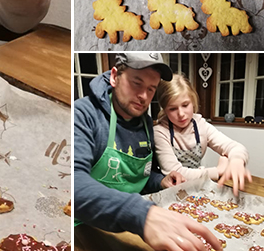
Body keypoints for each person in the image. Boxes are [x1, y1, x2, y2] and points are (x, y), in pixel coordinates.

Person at [75, 53, 224, 251]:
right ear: (114, 77)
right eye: (137, 83)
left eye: (151, 89)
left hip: (135, 224)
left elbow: (141, 176)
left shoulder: (145, 123)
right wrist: (141, 214)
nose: (144, 96)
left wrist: (160, 181)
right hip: (87, 225)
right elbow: (74, 181)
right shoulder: (84, 114)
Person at [153, 74, 252, 195]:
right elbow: (176, 173)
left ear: (193, 102)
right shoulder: (160, 132)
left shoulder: (201, 125)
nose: (181, 114)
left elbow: (234, 147)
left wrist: (236, 160)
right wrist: (219, 171)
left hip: (198, 189)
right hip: (172, 193)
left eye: (185, 105)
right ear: (164, 109)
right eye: (172, 109)